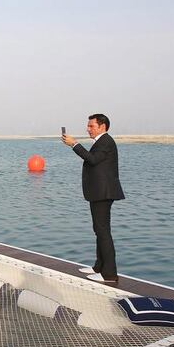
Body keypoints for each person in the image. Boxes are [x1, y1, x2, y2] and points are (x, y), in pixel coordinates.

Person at [62, 113, 125, 283]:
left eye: (91, 126)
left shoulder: (106, 141)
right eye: (88, 126)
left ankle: (110, 274)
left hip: (103, 193)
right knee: (99, 230)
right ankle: (99, 267)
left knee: (103, 231)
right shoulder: (101, 142)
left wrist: (74, 144)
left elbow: (93, 159)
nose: (88, 129)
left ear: (102, 126)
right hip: (99, 193)